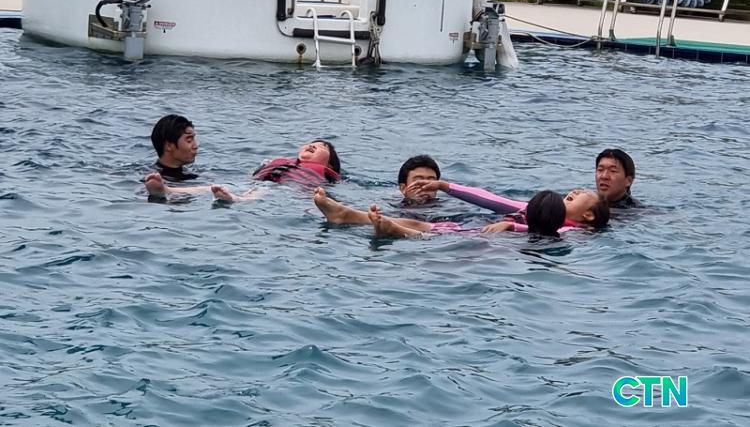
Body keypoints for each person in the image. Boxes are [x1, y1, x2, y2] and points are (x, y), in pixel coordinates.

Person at [366, 187, 609, 239]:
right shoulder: (537, 208)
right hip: (489, 228)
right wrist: (446, 186)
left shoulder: (576, 231)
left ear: (588, 215)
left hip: (497, 238)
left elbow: (555, 233)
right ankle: (353, 215)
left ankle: (392, 230)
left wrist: (512, 226)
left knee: (439, 233)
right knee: (427, 225)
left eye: (580, 195)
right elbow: (492, 200)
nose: (575, 191)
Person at [313, 155, 444, 224]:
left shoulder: (445, 208)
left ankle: (346, 215)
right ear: (403, 188)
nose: (426, 186)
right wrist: (413, 201)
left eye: (431, 181)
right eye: (418, 181)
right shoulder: (392, 204)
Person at [211, 140, 341, 202]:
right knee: (217, 186)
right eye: (311, 143)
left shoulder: (328, 175)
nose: (312, 145)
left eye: (321, 146)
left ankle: (238, 199)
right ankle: (195, 190)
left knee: (263, 190)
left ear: (330, 166)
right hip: (261, 183)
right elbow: (253, 175)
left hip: (293, 189)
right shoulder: (278, 161)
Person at [144, 114, 214, 198]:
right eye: (189, 140)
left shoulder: (195, 175)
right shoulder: (150, 178)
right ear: (169, 146)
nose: (195, 146)